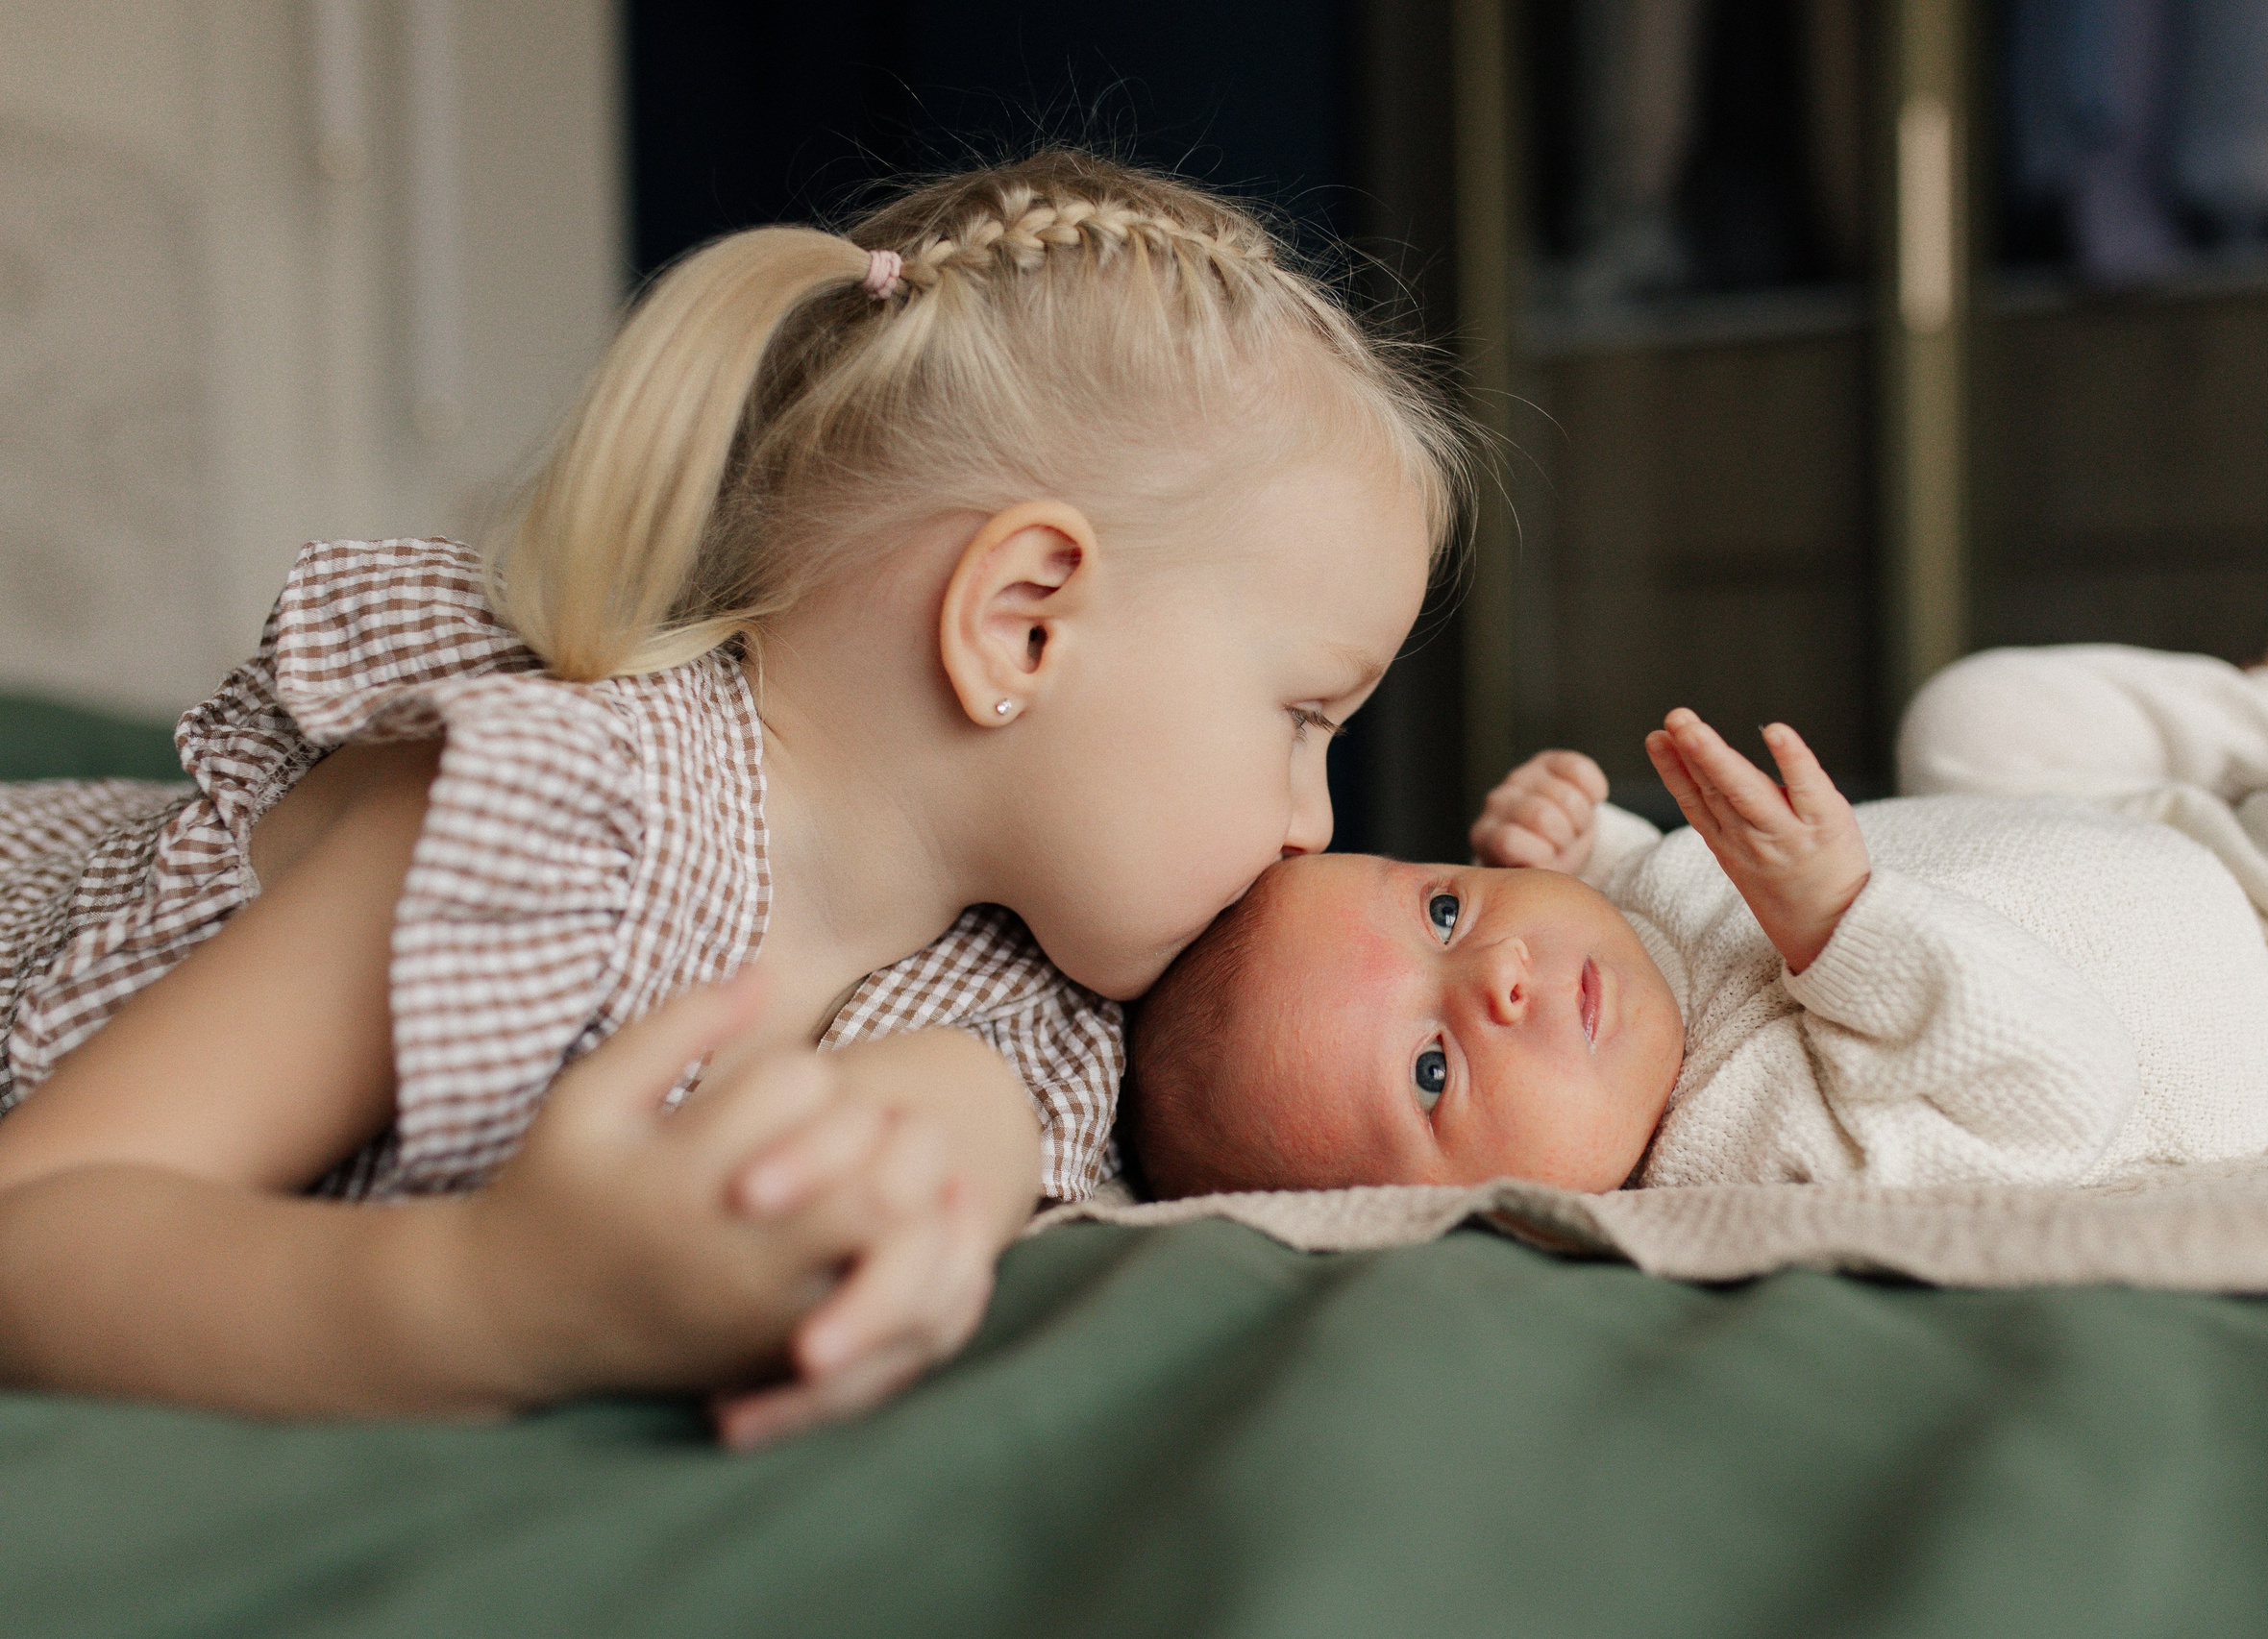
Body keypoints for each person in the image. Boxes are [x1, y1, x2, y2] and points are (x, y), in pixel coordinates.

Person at [0, 151, 1467, 1445]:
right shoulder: (565, 816)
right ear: (1024, 619)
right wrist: (492, 1299)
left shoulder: (1009, 967)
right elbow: (36, 1226)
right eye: (1304, 719)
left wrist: (926, 1170)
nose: (1313, 821)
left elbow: (981, 1099)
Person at [1125, 548, 2268, 1200]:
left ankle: (2261, 718)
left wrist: (1589, 846)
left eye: (1441, 909)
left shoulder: (1617, 980)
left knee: (1968, 720)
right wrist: (1841, 918)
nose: (1505, 974)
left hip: (2157, 835)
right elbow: (2065, 1096)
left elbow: (1676, 908)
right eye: (1430, 1066)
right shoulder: (1750, 1160)